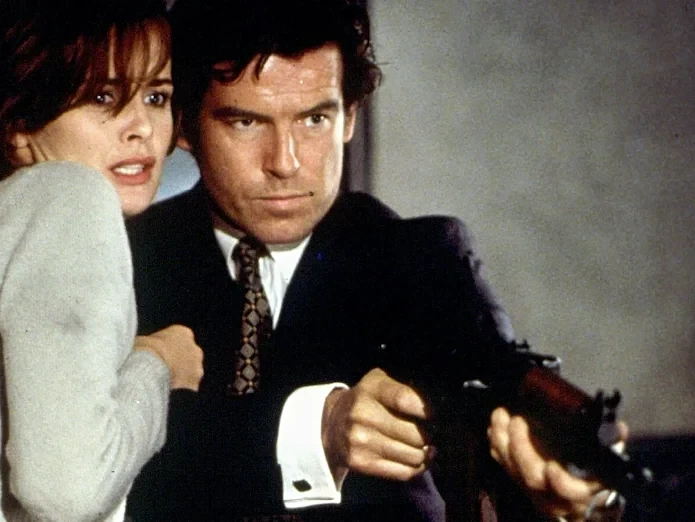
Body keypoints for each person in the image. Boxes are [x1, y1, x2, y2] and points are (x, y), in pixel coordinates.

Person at [124, 0, 627, 521]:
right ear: (183, 126)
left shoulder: (422, 257)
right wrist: (319, 430)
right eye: (246, 122)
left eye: (314, 119)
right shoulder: (124, 259)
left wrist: (574, 498)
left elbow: (491, 388)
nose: (285, 162)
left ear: (350, 117)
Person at [0, 0, 203, 520]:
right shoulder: (71, 195)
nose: (142, 128)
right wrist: (159, 367)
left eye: (156, 97)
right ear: (19, 125)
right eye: (103, 96)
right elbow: (69, 489)